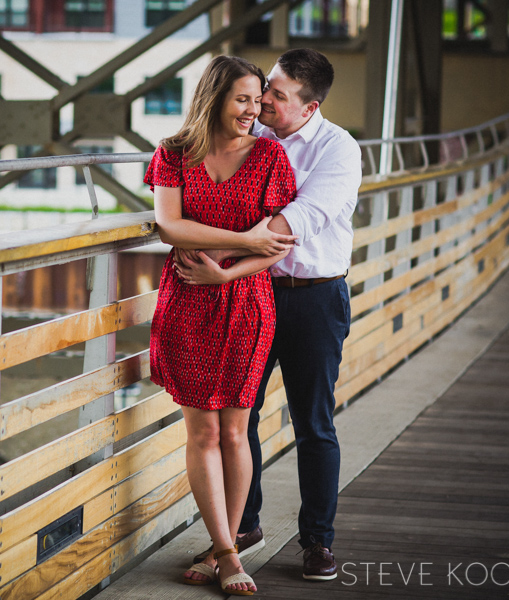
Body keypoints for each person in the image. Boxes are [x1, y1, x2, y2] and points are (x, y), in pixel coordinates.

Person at [178, 48, 362, 581]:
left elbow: (300, 220)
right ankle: (242, 527)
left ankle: (317, 541)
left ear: (309, 107)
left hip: (312, 297)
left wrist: (229, 248)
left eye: (275, 97)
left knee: (313, 422)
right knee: (240, 415)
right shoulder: (249, 137)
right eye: (262, 93)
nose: (261, 105)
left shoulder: (337, 148)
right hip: (249, 295)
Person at [145, 55, 297, 596]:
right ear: (215, 97)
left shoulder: (272, 156)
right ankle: (228, 551)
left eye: (259, 101)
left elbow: (276, 246)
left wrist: (234, 262)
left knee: (235, 431)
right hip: (187, 302)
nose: (254, 111)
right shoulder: (173, 153)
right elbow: (169, 225)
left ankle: (223, 548)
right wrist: (244, 241)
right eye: (243, 99)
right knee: (202, 431)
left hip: (248, 303)